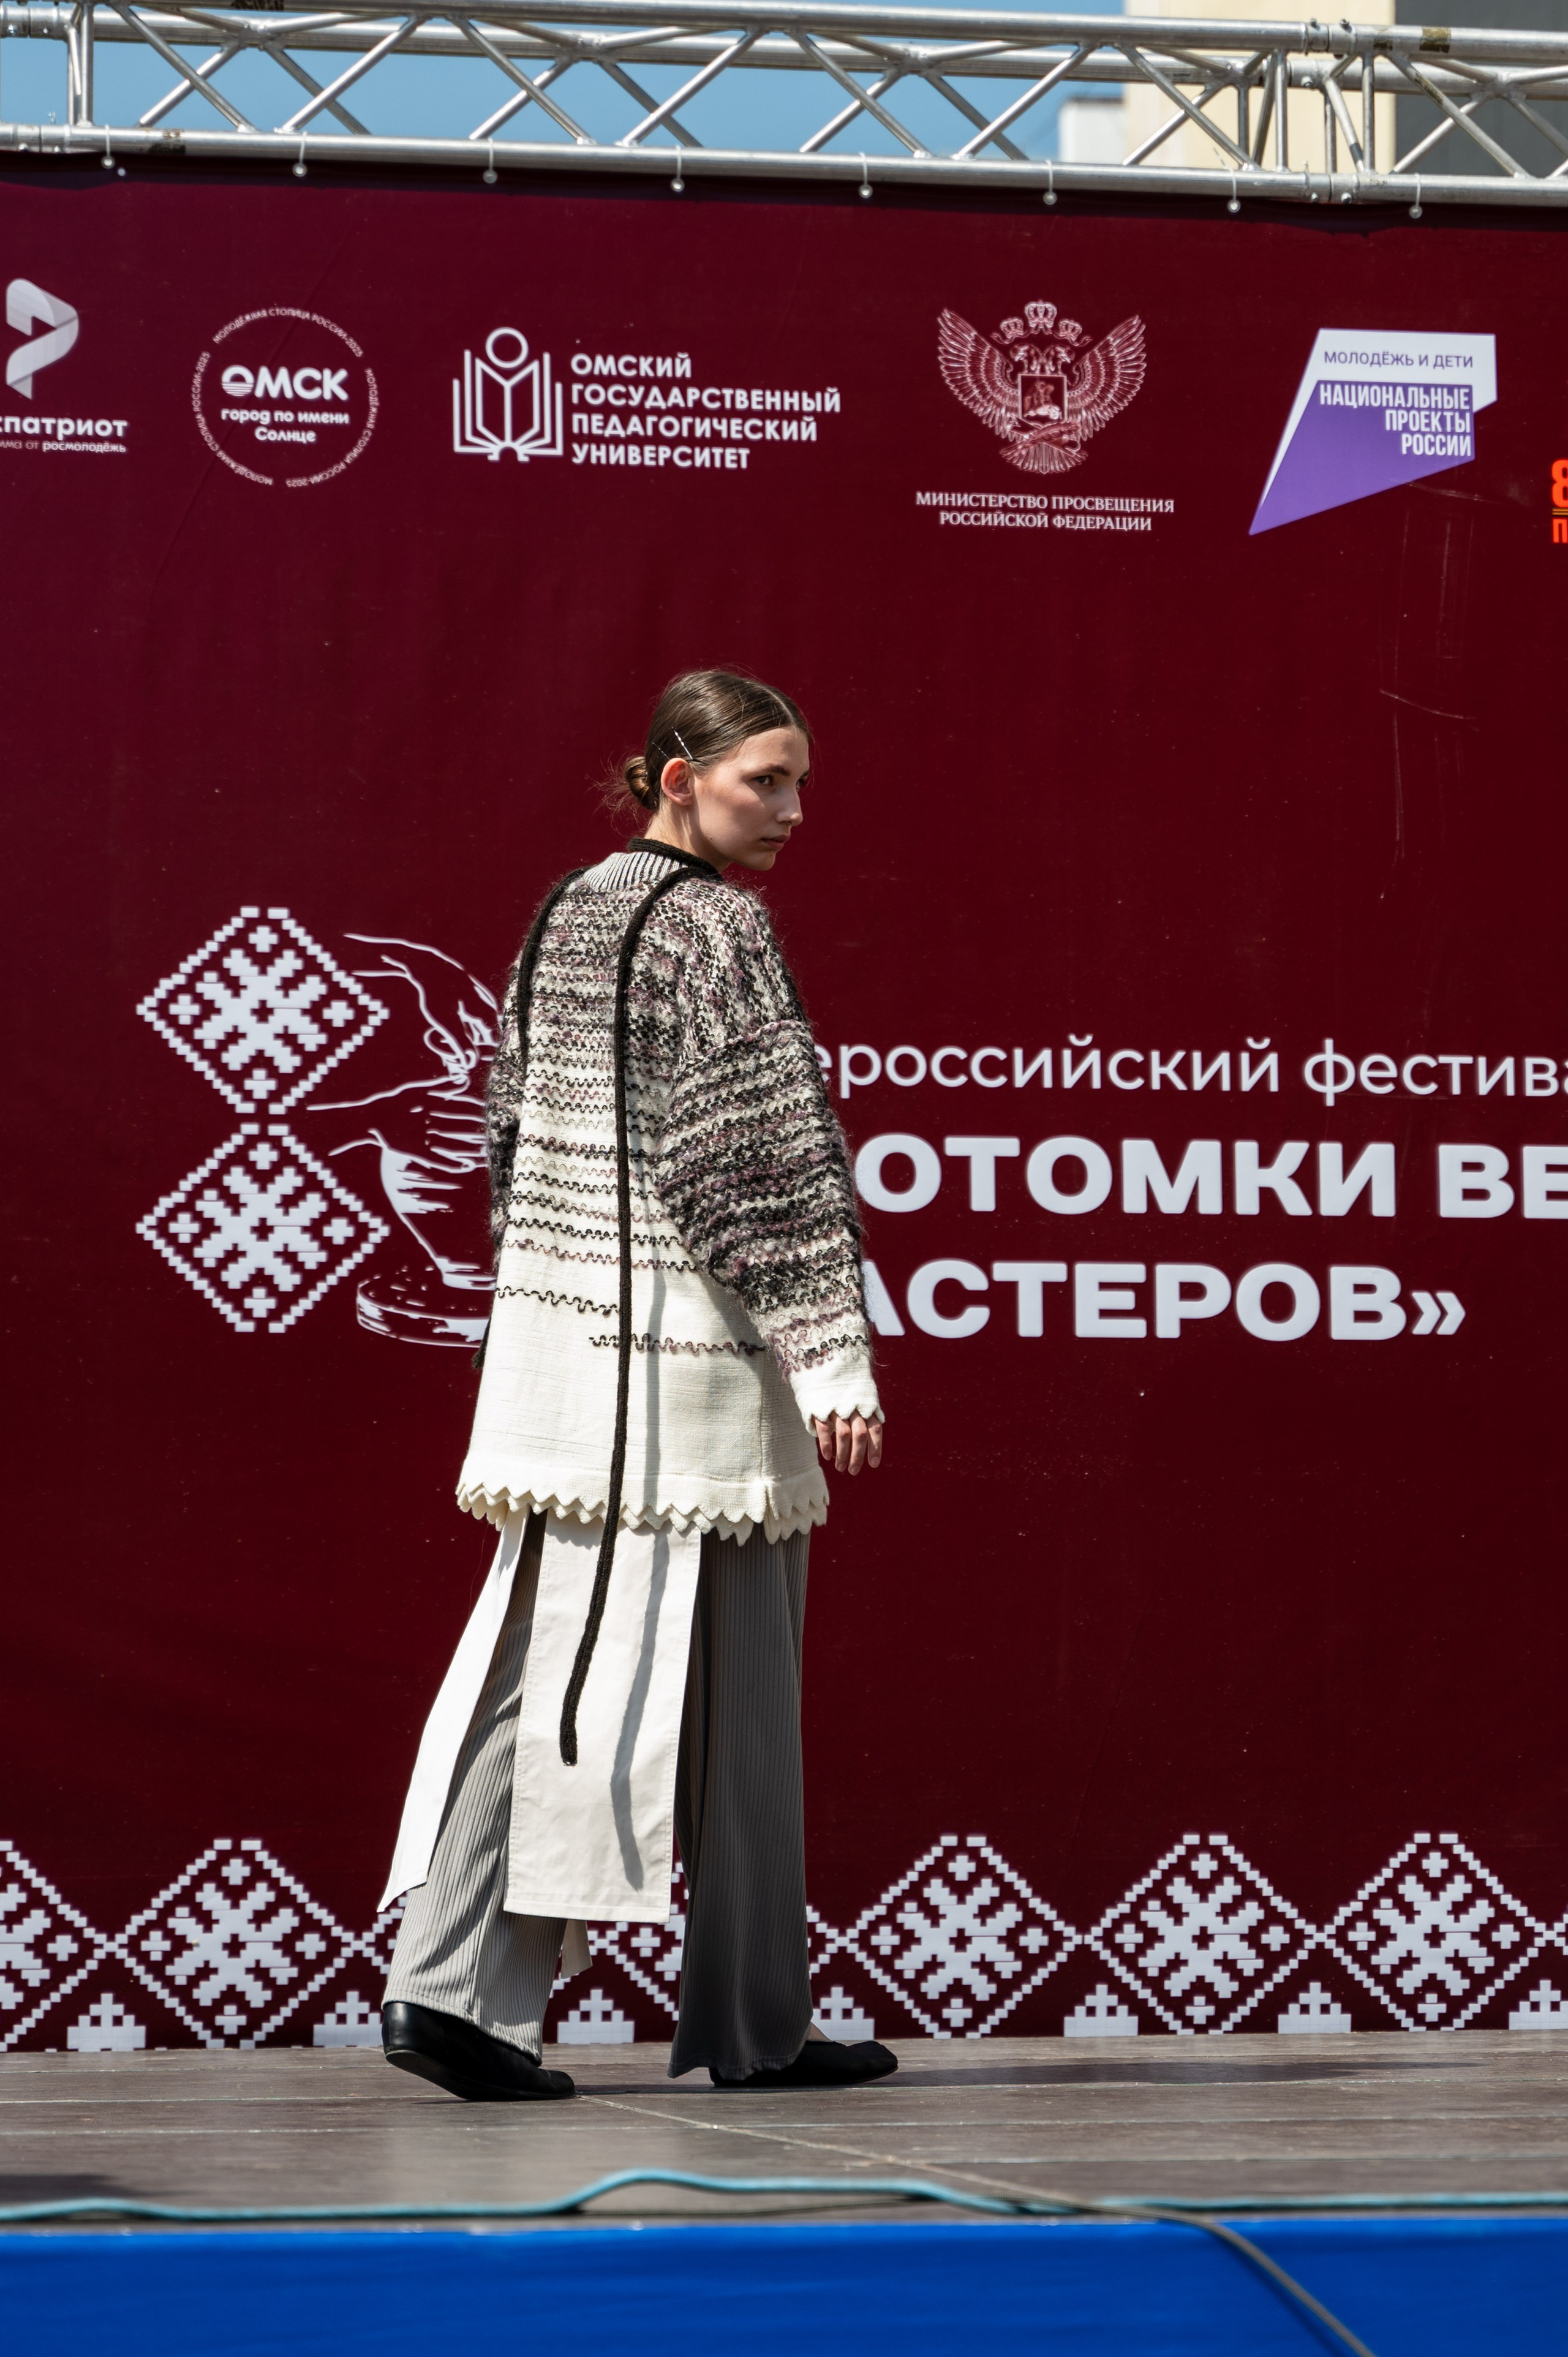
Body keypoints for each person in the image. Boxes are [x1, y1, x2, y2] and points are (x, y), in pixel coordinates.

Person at [377, 670, 889, 2102]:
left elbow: (503, 1129)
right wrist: (829, 1348)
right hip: (692, 1366)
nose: (788, 811)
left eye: (796, 782)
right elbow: (755, 1160)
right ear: (676, 776)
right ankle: (533, 2003)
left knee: (564, 1671)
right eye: (760, 780)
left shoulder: (567, 912)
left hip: (565, 1358)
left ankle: (653, 2011)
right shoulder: (718, 923)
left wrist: (547, 1301)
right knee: (686, 1693)